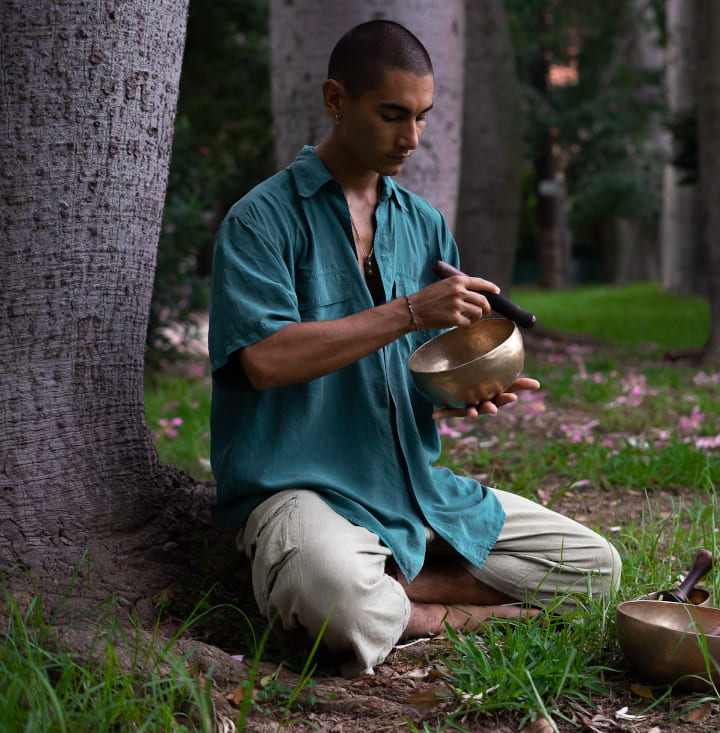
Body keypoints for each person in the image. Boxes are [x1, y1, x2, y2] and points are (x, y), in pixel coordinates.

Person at [206, 19, 621, 676]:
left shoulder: (424, 226)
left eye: (424, 117)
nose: (412, 138)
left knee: (596, 568)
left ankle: (396, 588)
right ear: (336, 100)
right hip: (298, 488)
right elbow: (264, 360)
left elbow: (418, 376)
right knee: (338, 597)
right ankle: (447, 616)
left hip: (410, 489)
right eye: (393, 114)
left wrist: (466, 392)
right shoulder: (261, 219)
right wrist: (406, 310)